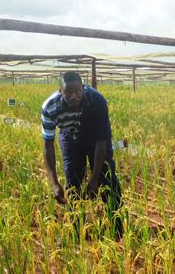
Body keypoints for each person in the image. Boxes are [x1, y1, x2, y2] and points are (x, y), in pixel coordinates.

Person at [41, 71, 122, 238]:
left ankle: (118, 228)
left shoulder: (97, 101)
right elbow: (48, 145)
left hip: (95, 136)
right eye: (68, 92)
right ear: (60, 91)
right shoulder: (50, 108)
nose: (74, 96)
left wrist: (94, 180)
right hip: (69, 134)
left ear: (83, 88)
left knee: (106, 178)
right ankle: (77, 229)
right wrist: (54, 183)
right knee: (73, 179)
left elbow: (101, 141)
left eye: (77, 91)